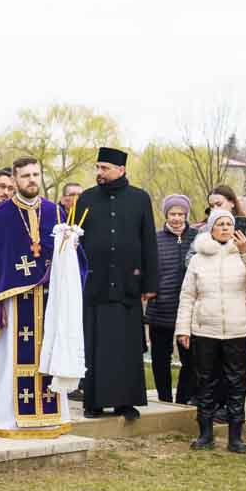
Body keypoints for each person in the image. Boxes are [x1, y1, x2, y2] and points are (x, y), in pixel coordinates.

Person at [0, 158, 73, 437]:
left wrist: (71, 245)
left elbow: (69, 259)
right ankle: (6, 418)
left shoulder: (56, 213)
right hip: (13, 303)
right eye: (25, 175)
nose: (31, 180)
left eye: (36, 174)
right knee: (10, 359)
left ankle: (50, 417)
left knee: (48, 354)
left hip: (48, 300)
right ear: (14, 180)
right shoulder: (0, 216)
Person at [72, 146, 157, 420]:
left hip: (127, 285)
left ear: (121, 170)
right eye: (97, 168)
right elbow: (74, 242)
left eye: (104, 168)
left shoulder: (139, 199)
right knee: (94, 344)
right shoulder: (85, 199)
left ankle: (125, 402)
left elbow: (148, 243)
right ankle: (93, 402)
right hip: (94, 285)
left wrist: (149, 283)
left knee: (126, 346)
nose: (99, 173)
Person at [175, 207, 246, 452]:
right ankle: (205, 434)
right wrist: (183, 329)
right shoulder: (197, 258)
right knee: (205, 382)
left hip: (238, 330)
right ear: (211, 228)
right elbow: (187, 296)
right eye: (220, 224)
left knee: (237, 383)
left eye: (229, 223)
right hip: (205, 330)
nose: (225, 228)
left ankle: (236, 437)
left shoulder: (244, 253)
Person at [144, 193, 195, 405]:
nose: (176, 218)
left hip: (189, 309)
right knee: (160, 359)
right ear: (166, 214)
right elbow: (146, 268)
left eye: (181, 214)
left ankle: (182, 399)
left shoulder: (198, 237)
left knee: (190, 360)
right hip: (160, 307)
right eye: (172, 214)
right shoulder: (154, 239)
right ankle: (164, 398)